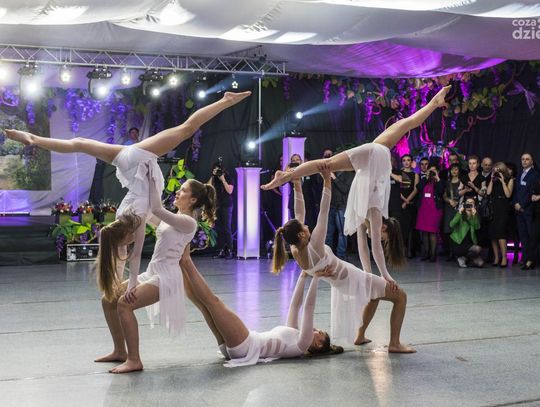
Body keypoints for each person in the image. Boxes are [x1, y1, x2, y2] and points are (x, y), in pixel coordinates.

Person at [5, 91, 251, 300]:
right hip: (128, 163)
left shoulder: (136, 218)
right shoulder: (124, 217)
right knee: (79, 143)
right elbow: (127, 252)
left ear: (127, 234)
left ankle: (226, 100)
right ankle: (34, 139)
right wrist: (122, 285)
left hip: (136, 161)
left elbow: (135, 255)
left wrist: (131, 283)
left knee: (187, 129)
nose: (130, 241)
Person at [263, 85, 451, 279]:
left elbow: (365, 245)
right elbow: (374, 246)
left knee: (405, 124)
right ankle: (286, 176)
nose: (378, 236)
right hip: (373, 157)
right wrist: (385, 277)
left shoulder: (364, 212)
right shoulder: (374, 213)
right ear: (385, 229)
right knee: (328, 163)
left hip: (375, 156)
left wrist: (370, 275)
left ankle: (434, 103)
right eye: (383, 236)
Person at [273, 166, 414, 352]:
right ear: (301, 235)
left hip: (344, 281)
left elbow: (299, 211)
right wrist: (327, 180)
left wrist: (297, 184)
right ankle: (395, 344)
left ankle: (360, 336)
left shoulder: (295, 248)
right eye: (304, 227)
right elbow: (324, 211)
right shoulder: (315, 246)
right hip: (352, 278)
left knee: (375, 296)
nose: (307, 226)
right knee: (401, 297)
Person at [106, 177, 216, 374]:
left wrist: (152, 181)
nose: (178, 192)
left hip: (167, 277)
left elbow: (156, 209)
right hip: (153, 272)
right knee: (108, 299)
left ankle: (134, 360)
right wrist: (139, 195)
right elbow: (151, 214)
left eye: (183, 190)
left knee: (124, 304)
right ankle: (120, 351)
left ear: (192, 200)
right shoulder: (175, 218)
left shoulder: (188, 222)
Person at [180, 248, 342, 367]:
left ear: (318, 344)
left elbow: (308, 308)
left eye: (320, 333)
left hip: (247, 345)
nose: (317, 329)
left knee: (212, 302)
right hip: (241, 346)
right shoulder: (295, 334)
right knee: (204, 306)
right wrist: (304, 274)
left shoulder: (302, 344)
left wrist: (316, 279)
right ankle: (181, 264)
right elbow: (295, 305)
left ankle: (186, 260)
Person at [324, 149, 354, 259]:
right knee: (329, 232)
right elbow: (319, 182)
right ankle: (327, 255)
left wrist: (334, 178)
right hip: (330, 205)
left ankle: (340, 256)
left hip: (342, 206)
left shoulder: (350, 174)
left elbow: (345, 189)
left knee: (342, 232)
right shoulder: (331, 171)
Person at [513, 153, 540, 267]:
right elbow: (515, 191)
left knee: (531, 236)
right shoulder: (519, 174)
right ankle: (524, 258)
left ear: (532, 161)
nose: (524, 161)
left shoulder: (535, 174)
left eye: (527, 159)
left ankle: (532, 260)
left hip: (529, 210)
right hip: (518, 210)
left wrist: (522, 205)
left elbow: (532, 192)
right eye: (523, 159)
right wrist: (515, 203)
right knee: (523, 237)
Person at [487, 162, 514, 267]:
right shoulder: (493, 179)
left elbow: (508, 195)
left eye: (498, 169)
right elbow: (488, 192)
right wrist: (491, 179)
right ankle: (496, 257)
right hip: (494, 207)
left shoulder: (510, 179)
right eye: (495, 169)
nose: (496, 171)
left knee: (501, 233)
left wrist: (503, 181)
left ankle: (504, 258)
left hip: (503, 207)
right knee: (493, 234)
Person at [416, 164, 444, 262]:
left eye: (433, 171)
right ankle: (426, 253)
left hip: (434, 210)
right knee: (424, 232)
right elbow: (418, 187)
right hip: (423, 209)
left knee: (432, 232)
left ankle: (433, 255)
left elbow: (441, 191)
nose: (431, 173)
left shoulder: (440, 181)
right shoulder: (425, 181)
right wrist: (426, 177)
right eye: (430, 171)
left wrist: (437, 177)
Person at [208, 160, 234, 259]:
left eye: (218, 169)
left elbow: (230, 191)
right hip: (217, 205)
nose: (217, 171)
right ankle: (221, 250)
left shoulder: (228, 177)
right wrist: (213, 176)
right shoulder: (214, 178)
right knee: (219, 229)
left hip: (227, 205)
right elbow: (208, 187)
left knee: (227, 228)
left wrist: (223, 179)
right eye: (215, 169)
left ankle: (230, 250)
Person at [450, 197, 484, 268]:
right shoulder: (460, 213)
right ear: (464, 204)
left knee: (481, 263)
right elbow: (451, 225)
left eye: (471, 203)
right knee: (477, 248)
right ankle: (461, 256)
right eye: (468, 202)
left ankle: (464, 258)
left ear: (474, 205)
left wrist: (474, 215)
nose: (469, 204)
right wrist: (459, 212)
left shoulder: (475, 215)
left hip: (469, 244)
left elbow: (477, 227)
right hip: (458, 243)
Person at [398, 154, 419, 258]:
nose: (406, 162)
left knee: (411, 228)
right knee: (401, 227)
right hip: (400, 203)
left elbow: (416, 189)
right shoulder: (399, 173)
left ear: (411, 162)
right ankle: (402, 249)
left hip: (410, 204)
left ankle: (410, 250)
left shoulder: (415, 175)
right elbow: (397, 190)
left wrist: (407, 202)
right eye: (404, 160)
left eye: (408, 160)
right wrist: (404, 201)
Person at [442, 164, 464, 260]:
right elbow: (444, 196)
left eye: (456, 169)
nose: (454, 171)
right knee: (449, 230)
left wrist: (458, 203)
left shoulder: (462, 182)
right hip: (449, 207)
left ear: (459, 171)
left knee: (458, 229)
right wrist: (450, 201)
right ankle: (450, 252)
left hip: (459, 207)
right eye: (452, 170)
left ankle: (458, 252)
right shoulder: (447, 182)